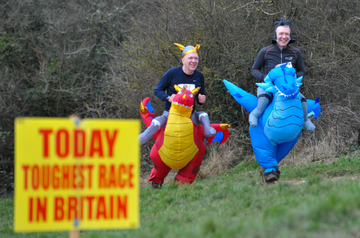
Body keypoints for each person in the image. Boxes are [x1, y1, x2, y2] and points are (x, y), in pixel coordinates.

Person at [139, 43, 216, 147]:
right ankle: (144, 136)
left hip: (190, 115)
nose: (194, 61)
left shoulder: (199, 76)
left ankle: (207, 131)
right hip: (170, 113)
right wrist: (168, 98)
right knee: (160, 120)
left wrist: (201, 100)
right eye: (190, 58)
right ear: (183, 60)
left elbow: (200, 97)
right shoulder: (172, 73)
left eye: (196, 58)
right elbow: (158, 90)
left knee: (198, 130)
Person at [250, 18, 315, 132]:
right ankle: (255, 115)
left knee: (303, 99)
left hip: (288, 87)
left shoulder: (296, 52)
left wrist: (293, 80)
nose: (284, 37)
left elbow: (302, 71)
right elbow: (254, 69)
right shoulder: (265, 51)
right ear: (275, 35)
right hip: (269, 86)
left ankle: (305, 120)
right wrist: (264, 78)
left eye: (287, 34)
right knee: (263, 99)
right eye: (281, 33)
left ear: (290, 36)